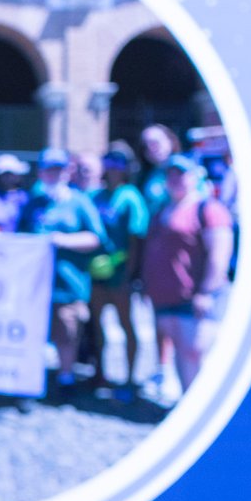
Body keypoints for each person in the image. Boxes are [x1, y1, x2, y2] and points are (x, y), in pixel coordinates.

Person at [137, 155, 233, 396]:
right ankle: (188, 403)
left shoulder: (208, 209)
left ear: (195, 176)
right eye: (171, 174)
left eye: (182, 174)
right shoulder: (163, 211)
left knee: (196, 352)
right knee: (182, 353)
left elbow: (219, 254)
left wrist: (206, 292)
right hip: (166, 297)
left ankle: (205, 408)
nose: (175, 179)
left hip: (195, 299)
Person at [20, 150, 107, 396]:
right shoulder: (34, 203)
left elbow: (95, 237)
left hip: (69, 284)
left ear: (68, 172)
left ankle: (66, 377)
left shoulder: (80, 202)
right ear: (41, 173)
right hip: (37, 284)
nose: (54, 174)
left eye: (59, 169)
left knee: (68, 333)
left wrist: (63, 241)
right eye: (49, 169)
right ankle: (34, 379)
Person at [89, 144, 155, 397]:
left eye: (119, 163)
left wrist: (129, 275)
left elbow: (137, 239)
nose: (113, 169)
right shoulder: (97, 196)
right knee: (98, 327)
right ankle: (101, 374)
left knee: (126, 326)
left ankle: (129, 378)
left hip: (121, 275)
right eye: (109, 162)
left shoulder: (130, 197)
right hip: (97, 275)